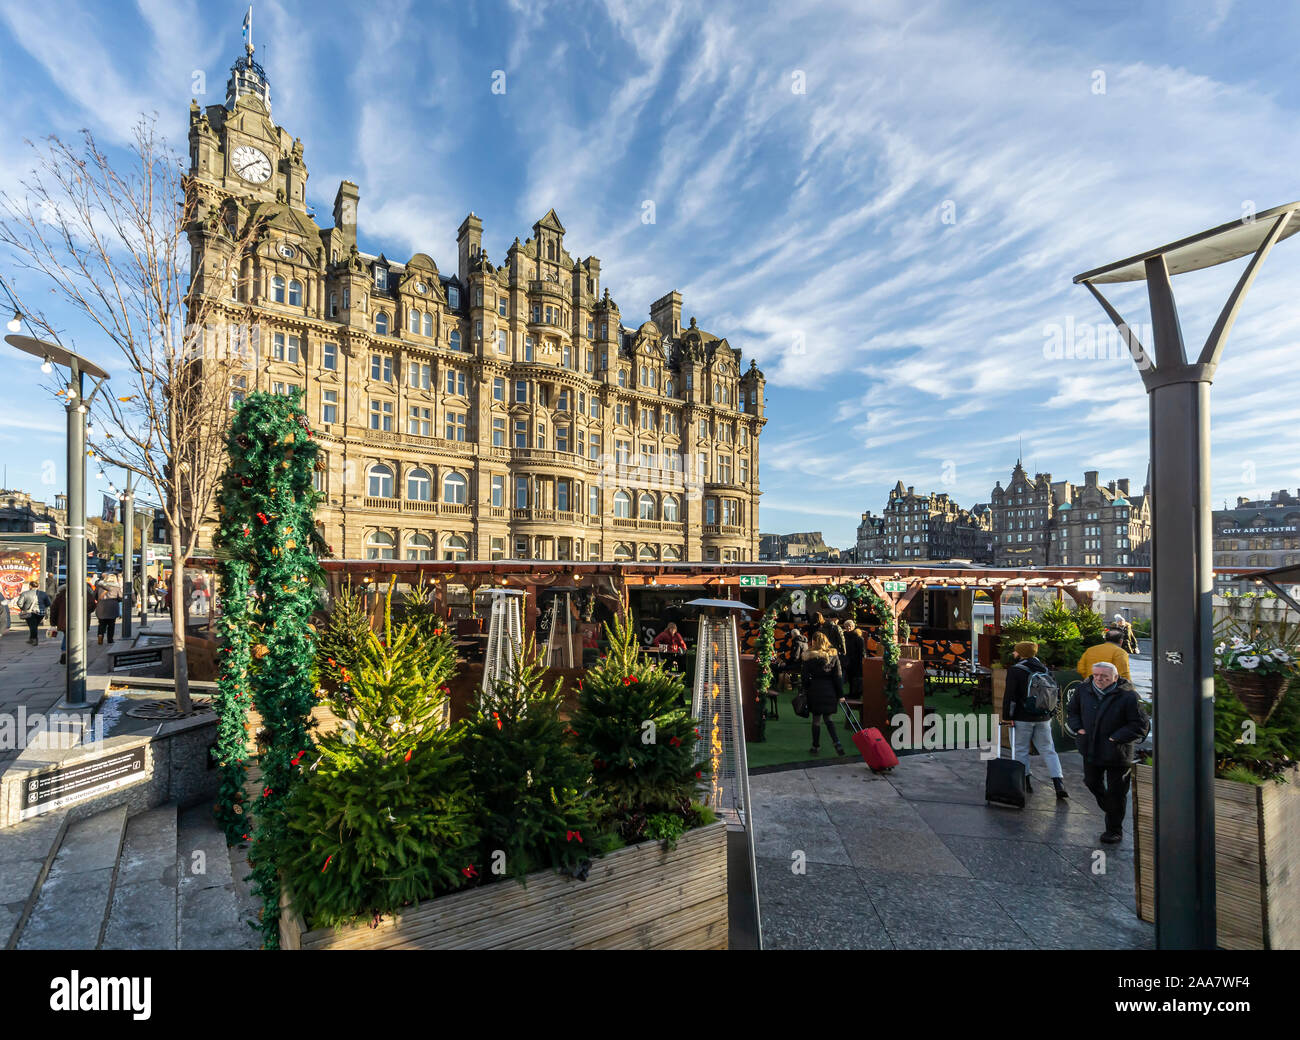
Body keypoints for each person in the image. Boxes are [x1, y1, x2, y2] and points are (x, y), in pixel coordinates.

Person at [1067, 661, 1149, 844]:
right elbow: (1072, 711)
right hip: (1090, 748)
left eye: (1104, 676)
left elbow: (1141, 725)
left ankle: (1114, 830)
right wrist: (1078, 728)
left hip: (1117, 752)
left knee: (1117, 792)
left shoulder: (1128, 696)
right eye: (1096, 675)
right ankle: (1111, 809)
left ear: (1115, 677)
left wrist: (1116, 737)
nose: (1099, 679)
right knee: (1091, 781)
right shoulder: (1083, 690)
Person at [1000, 640, 1067, 799]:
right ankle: (1059, 784)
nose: (1014, 654)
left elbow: (1009, 695)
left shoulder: (1015, 670)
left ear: (1021, 653)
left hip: (1022, 717)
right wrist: (1050, 714)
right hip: (1043, 717)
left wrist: (1007, 717)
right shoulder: (1045, 669)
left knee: (1021, 749)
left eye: (1016, 651)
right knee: (1048, 749)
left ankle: (1025, 782)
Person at [800, 631, 845, 756]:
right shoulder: (833, 655)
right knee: (828, 718)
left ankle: (815, 746)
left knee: (816, 720)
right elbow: (838, 676)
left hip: (815, 689)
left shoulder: (808, 657)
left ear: (814, 641)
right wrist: (840, 694)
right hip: (830, 689)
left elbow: (804, 677)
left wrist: (806, 688)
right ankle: (837, 742)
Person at [15, 581, 51, 645]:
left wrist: (24, 609)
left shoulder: (25, 593)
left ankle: (34, 639)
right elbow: (48, 603)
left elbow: (19, 603)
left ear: (30, 586)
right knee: (34, 626)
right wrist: (42, 607)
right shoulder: (43, 594)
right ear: (38, 586)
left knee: (33, 626)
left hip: (30, 613)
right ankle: (31, 639)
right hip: (41, 613)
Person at [841, 618, 865, 702]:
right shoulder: (845, 637)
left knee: (856, 678)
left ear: (853, 626)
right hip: (849, 660)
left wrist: (861, 661)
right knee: (851, 678)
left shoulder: (858, 638)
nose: (848, 628)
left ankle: (856, 695)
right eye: (846, 626)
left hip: (857, 661)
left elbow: (862, 651)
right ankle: (851, 693)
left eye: (849, 626)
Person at [94, 578, 122, 645]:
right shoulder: (117, 588)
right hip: (112, 608)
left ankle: (100, 637)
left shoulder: (99, 587)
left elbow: (94, 596)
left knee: (101, 624)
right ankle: (110, 640)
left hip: (101, 607)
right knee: (111, 624)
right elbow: (120, 597)